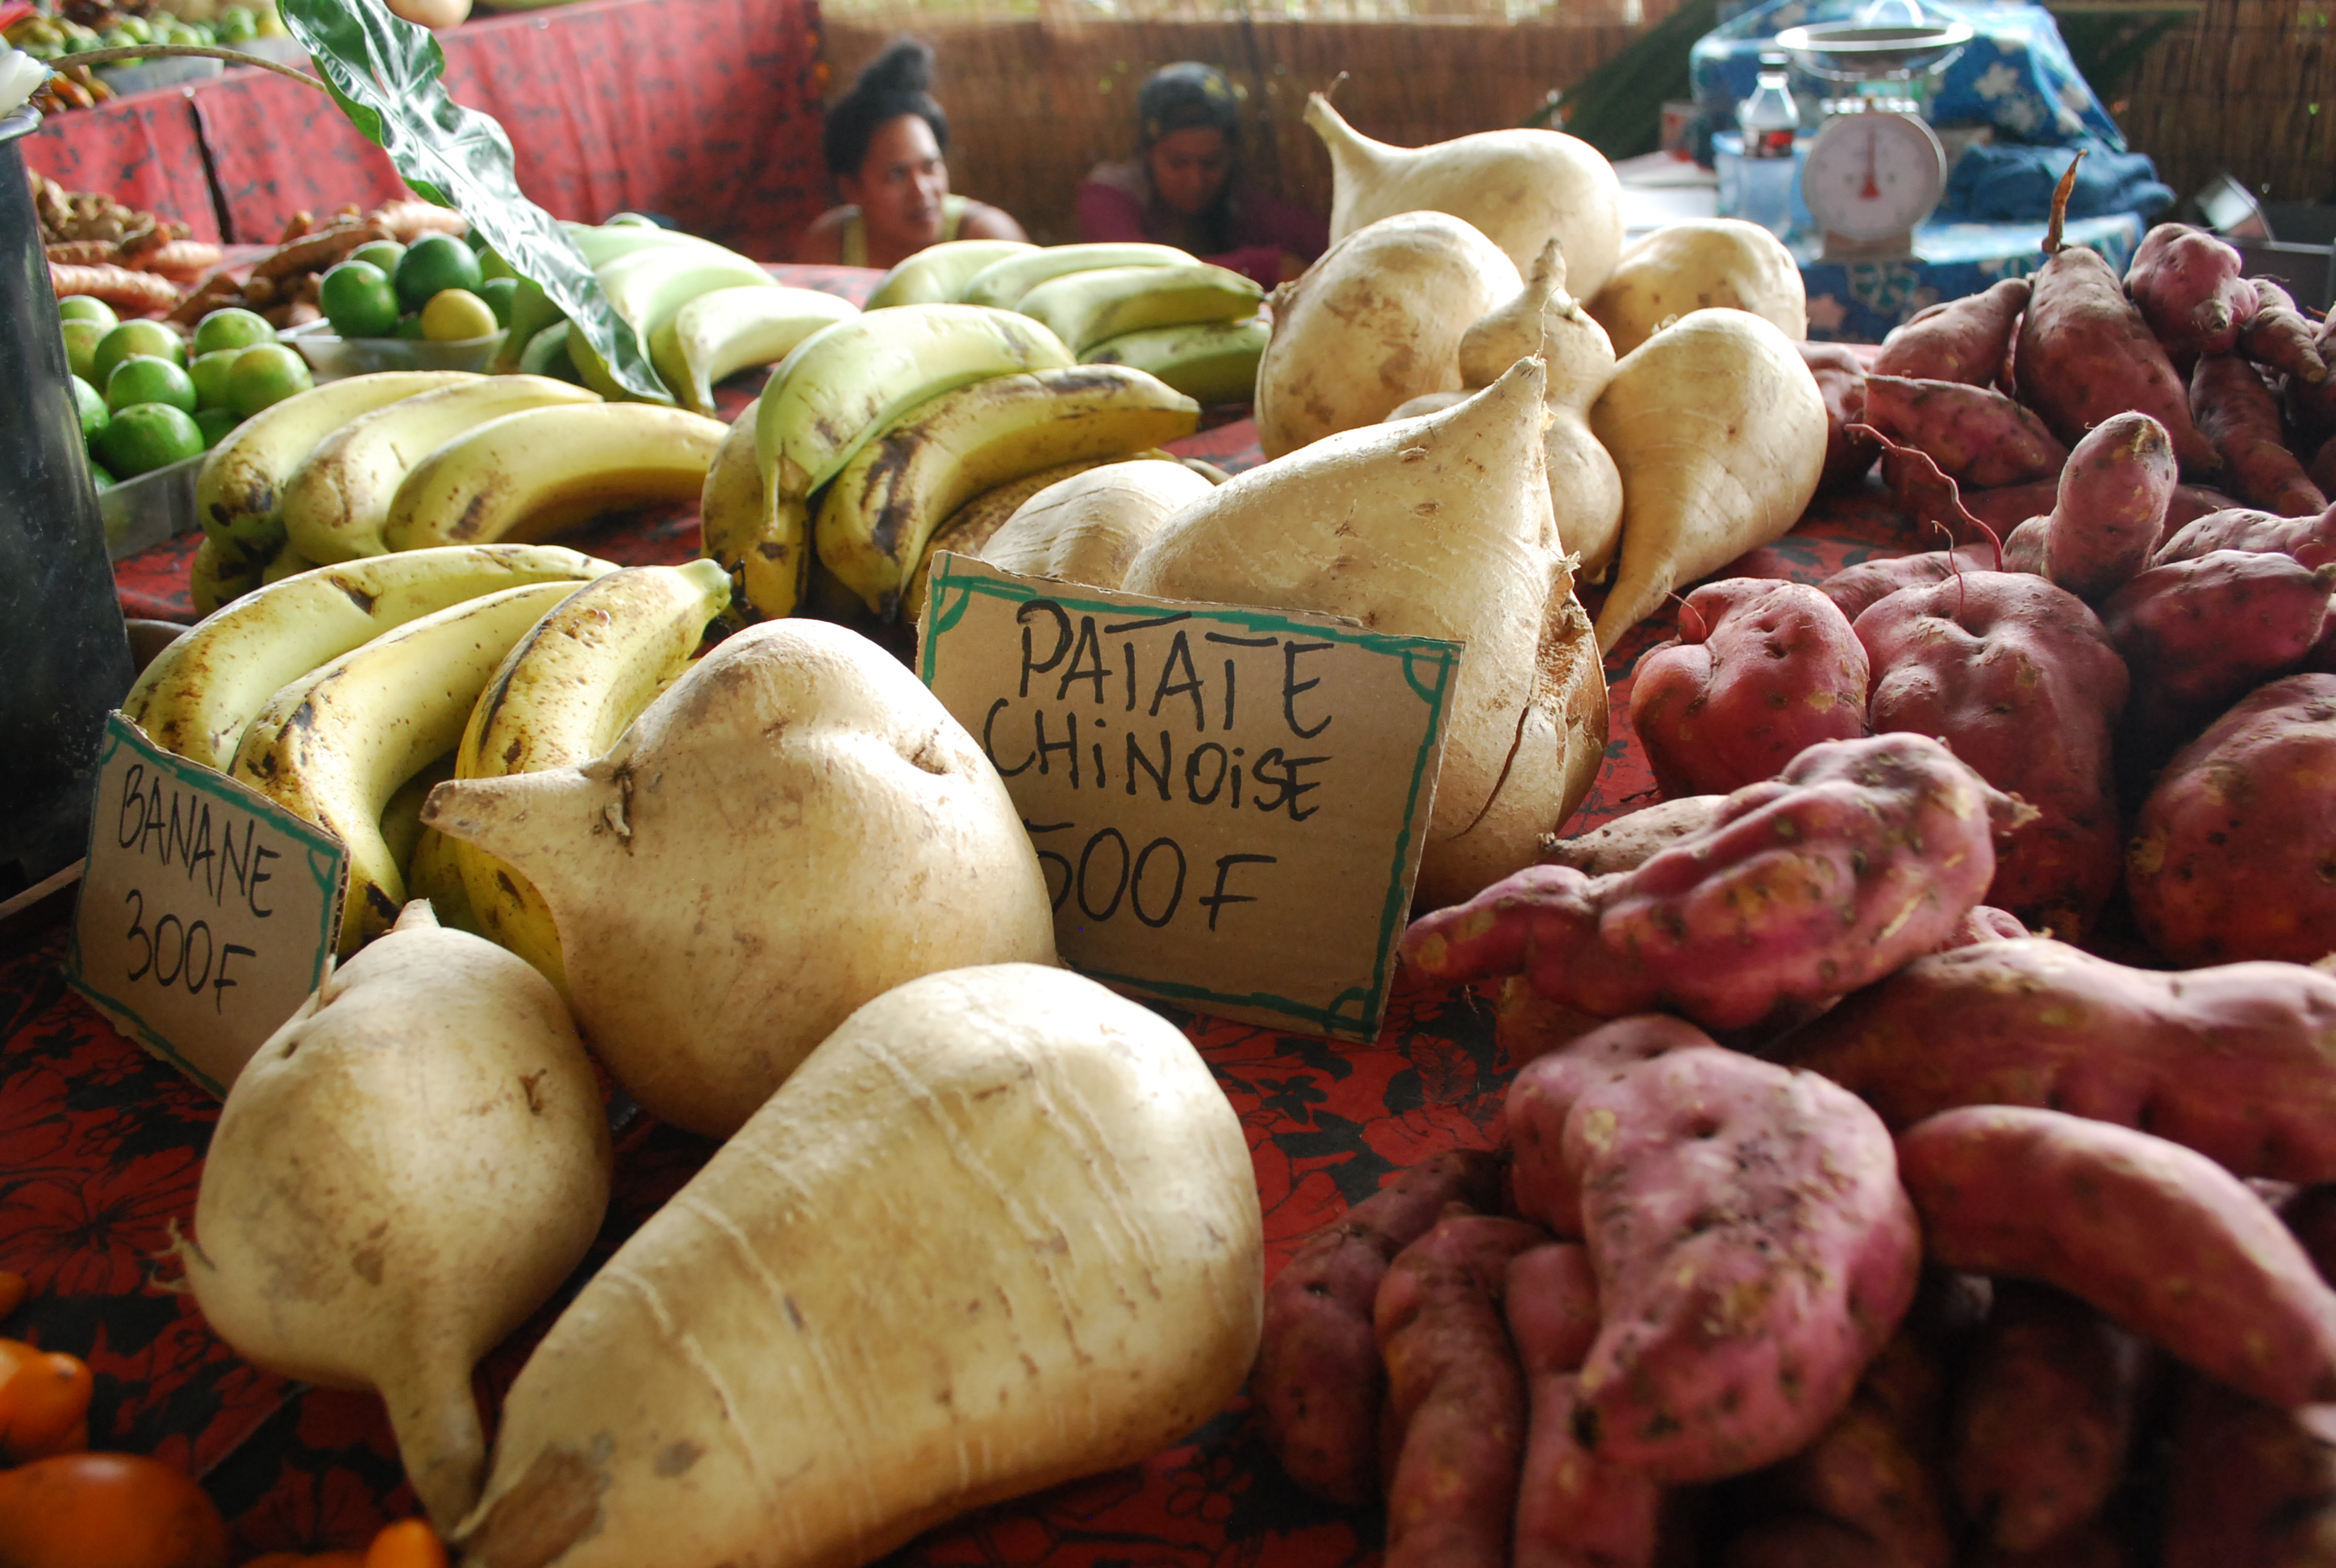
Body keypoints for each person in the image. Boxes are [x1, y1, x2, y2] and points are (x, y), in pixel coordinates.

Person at [1075, 62, 1328, 289]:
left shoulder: (1236, 200)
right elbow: (1143, 276)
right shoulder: (1107, 198)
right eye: (1177, 163)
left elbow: (1320, 238)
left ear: (1231, 155)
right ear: (1148, 153)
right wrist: (1267, 265)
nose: (1196, 181)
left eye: (1211, 163)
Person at [798, 39, 1027, 270]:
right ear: (852, 189)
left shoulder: (990, 241)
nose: (921, 191)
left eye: (930, 168)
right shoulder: (831, 247)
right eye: (897, 174)